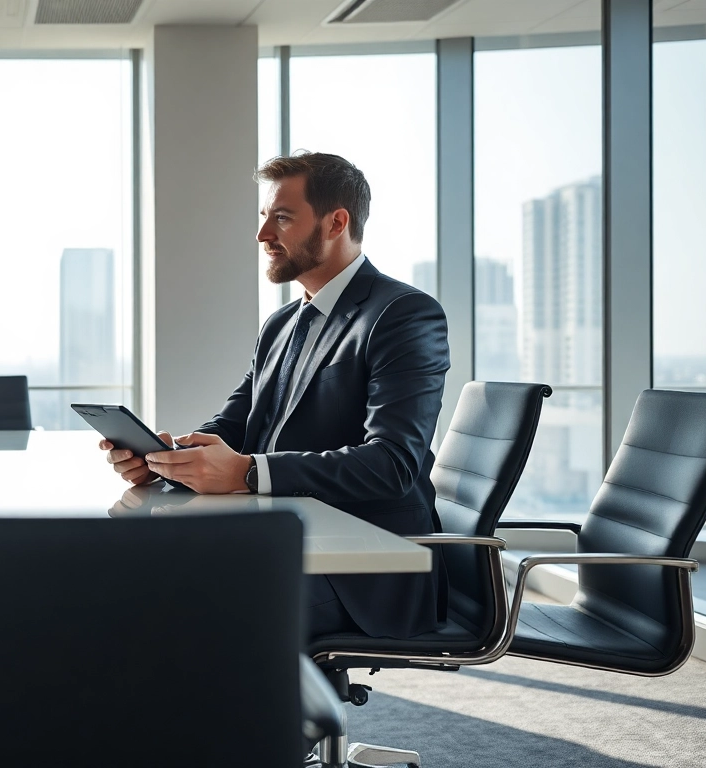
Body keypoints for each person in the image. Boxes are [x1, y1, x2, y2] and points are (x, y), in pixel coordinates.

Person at [100, 152, 449, 639]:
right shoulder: (283, 323)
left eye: (281, 218)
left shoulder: (403, 315)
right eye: (264, 218)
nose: (264, 235)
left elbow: (393, 464)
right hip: (286, 538)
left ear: (336, 222)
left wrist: (245, 472)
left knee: (193, 603)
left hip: (369, 568)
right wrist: (169, 458)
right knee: (134, 578)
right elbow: (235, 424)